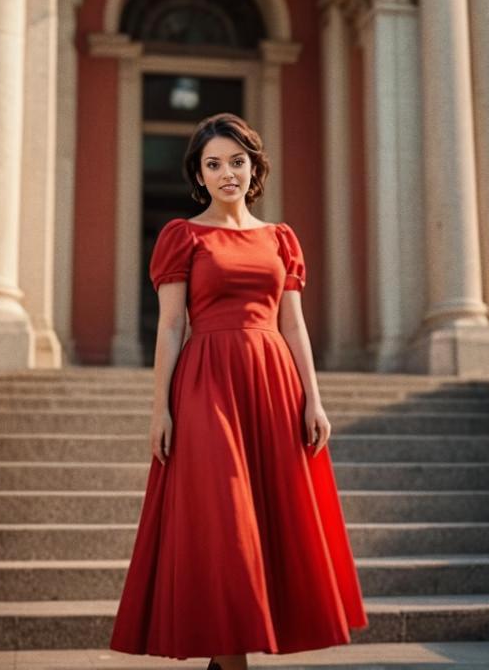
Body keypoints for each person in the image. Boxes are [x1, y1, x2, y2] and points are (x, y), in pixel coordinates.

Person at [109, 112, 368, 668]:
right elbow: (172, 325)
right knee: (225, 523)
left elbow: (292, 323)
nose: (226, 172)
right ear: (199, 177)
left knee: (269, 524)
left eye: (236, 161)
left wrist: (313, 398)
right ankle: (231, 661)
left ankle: (228, 660)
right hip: (207, 386)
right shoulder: (183, 236)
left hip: (273, 384)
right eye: (213, 164)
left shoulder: (280, 238)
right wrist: (161, 409)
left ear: (254, 169)